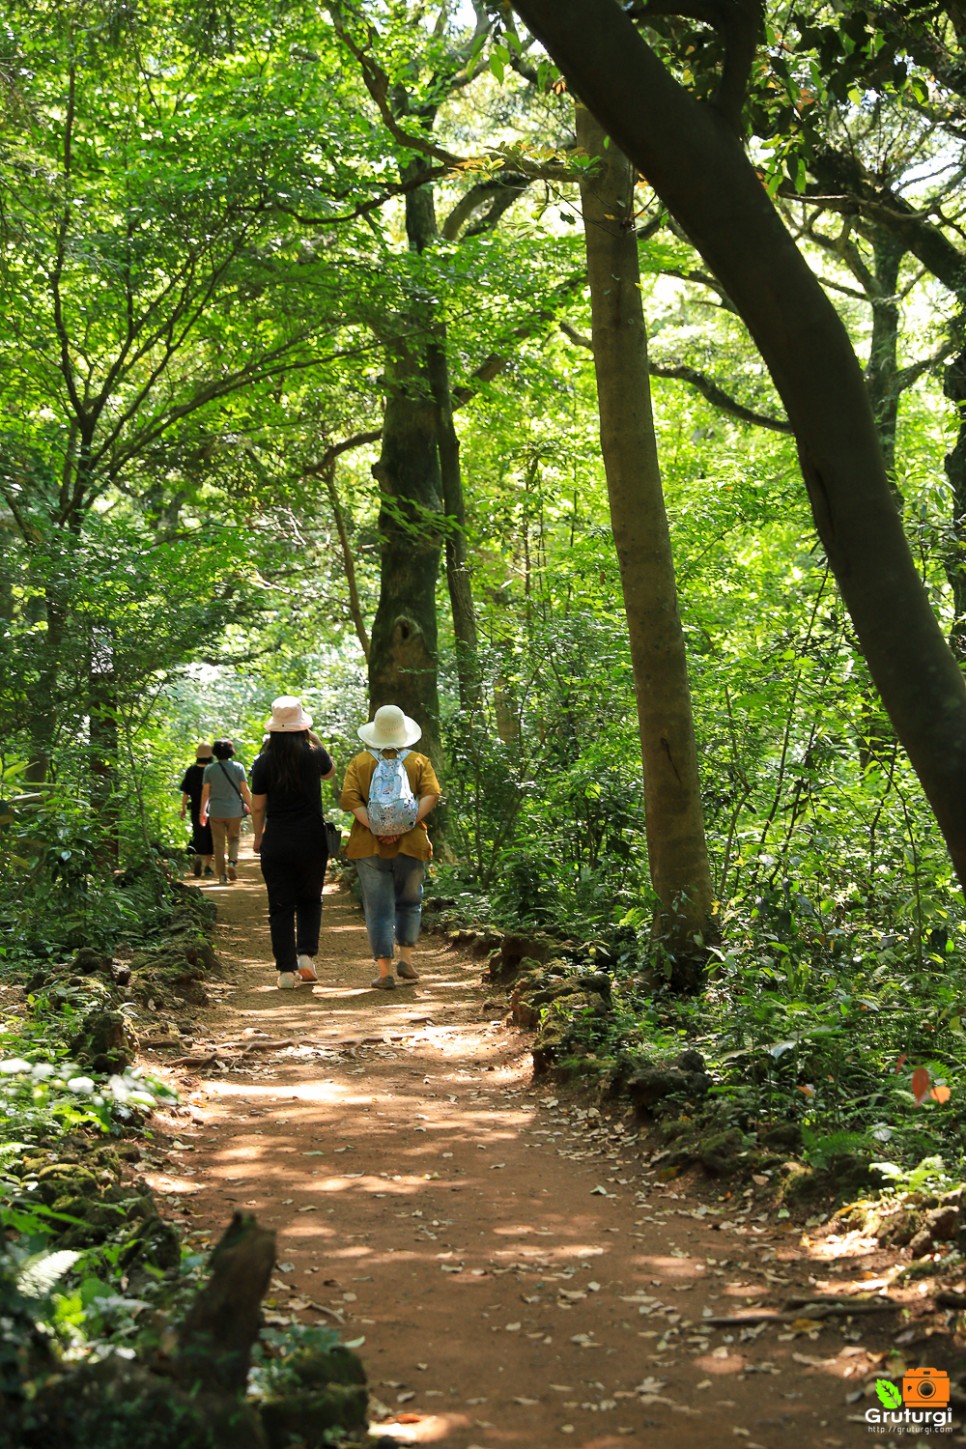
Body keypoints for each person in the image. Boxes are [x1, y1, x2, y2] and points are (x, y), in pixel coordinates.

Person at [341, 704, 440, 991]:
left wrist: (376, 827)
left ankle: (384, 973)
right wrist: (405, 825)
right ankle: (407, 959)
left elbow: (350, 800)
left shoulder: (359, 762)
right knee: (409, 902)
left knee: (378, 908)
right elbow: (432, 794)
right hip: (411, 844)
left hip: (368, 846)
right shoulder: (419, 761)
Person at [250, 697, 335, 989]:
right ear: (303, 726)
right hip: (312, 839)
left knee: (280, 906)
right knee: (311, 899)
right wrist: (313, 739)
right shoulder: (315, 754)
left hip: (278, 840)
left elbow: (258, 806)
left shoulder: (263, 761)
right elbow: (330, 772)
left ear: (273, 729)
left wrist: (258, 836)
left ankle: (286, 972)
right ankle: (306, 957)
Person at [200, 738, 252, 885]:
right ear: (231, 751)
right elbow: (245, 790)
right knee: (234, 839)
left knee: (218, 843)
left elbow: (205, 793)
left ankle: (221, 875)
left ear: (215, 753)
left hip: (216, 811)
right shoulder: (238, 767)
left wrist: (202, 812)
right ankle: (232, 863)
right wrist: (252, 807)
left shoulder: (209, 769)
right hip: (234, 811)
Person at [179, 742, 215, 877]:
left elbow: (185, 792)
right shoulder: (212, 770)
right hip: (212, 807)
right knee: (210, 835)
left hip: (195, 807)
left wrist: (182, 808)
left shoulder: (191, 770)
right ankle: (207, 866)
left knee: (198, 832)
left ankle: (197, 858)